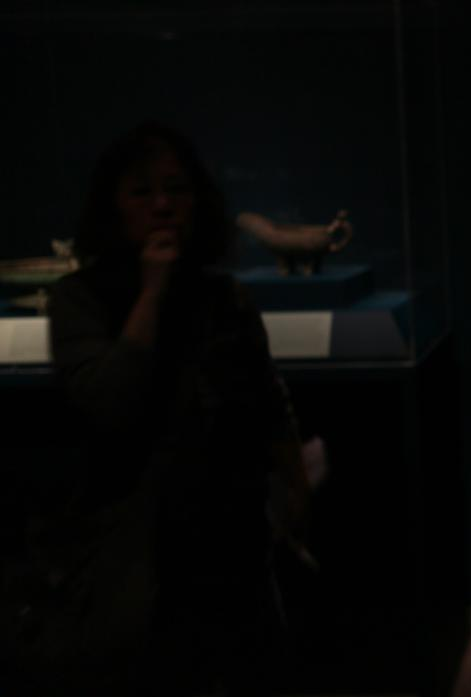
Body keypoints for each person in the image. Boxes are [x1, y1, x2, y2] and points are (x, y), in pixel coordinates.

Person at [29, 122, 310, 694]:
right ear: (113, 205)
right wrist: (152, 292)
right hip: (135, 554)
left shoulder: (224, 296)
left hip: (232, 543)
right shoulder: (78, 299)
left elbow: (267, 403)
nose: (162, 205)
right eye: (142, 191)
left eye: (176, 189)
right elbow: (109, 403)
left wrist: (294, 496)